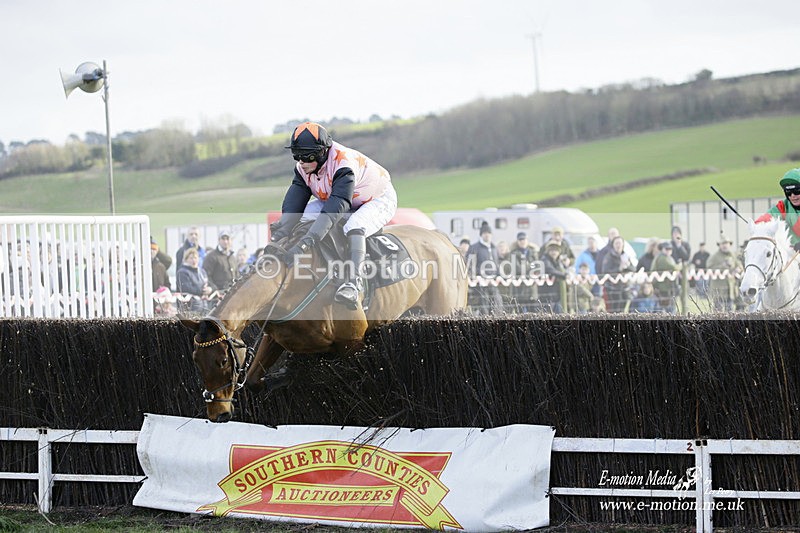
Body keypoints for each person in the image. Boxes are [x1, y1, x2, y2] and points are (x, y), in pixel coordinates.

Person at [268, 122, 397, 308]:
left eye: (306, 157)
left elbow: (336, 207)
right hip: (339, 195)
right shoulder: (303, 168)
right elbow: (294, 208)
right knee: (303, 217)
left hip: (376, 198)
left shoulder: (343, 164)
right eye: (296, 156)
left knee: (354, 226)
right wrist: (280, 234)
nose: (301, 162)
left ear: (322, 152)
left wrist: (307, 242)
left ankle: (354, 283)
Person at [755, 168, 800, 250]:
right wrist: (757, 226)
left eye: (797, 191)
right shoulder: (783, 206)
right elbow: (764, 219)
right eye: (788, 192)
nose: (792, 195)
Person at [466, 222, 503, 314]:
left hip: (493, 283)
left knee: (497, 305)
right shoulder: (474, 247)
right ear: (481, 235)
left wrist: (498, 275)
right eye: (485, 233)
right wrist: (480, 275)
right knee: (484, 308)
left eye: (489, 233)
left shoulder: (494, 248)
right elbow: (469, 265)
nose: (487, 235)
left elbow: (496, 264)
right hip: (480, 284)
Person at [707, 234, 742, 312]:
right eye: (722, 244)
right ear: (719, 245)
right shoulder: (714, 257)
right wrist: (722, 267)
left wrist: (738, 269)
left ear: (729, 245)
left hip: (730, 290)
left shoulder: (733, 255)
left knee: (730, 313)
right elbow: (708, 269)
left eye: (726, 243)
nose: (724, 246)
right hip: (718, 291)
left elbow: (740, 266)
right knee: (718, 313)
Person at [601, 236, 634, 313]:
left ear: (623, 245)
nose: (618, 245)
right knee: (614, 310)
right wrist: (619, 268)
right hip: (613, 289)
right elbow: (605, 271)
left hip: (625, 288)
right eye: (616, 243)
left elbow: (633, 269)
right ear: (613, 245)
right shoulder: (609, 256)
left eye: (620, 243)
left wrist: (627, 266)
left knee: (623, 309)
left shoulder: (626, 255)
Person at [509, 231, 539, 311]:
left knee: (533, 313)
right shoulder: (514, 253)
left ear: (527, 240)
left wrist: (530, 267)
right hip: (520, 289)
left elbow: (537, 266)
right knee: (520, 312)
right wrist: (530, 266)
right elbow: (518, 268)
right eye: (520, 240)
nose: (522, 241)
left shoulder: (533, 252)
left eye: (524, 239)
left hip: (532, 289)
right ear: (517, 241)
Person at [176, 248, 212, 313]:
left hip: (204, 306)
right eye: (191, 258)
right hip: (190, 308)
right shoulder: (182, 272)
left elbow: (208, 283)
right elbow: (186, 288)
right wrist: (202, 291)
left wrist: (210, 289)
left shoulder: (202, 272)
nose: (194, 260)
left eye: (195, 258)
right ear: (186, 259)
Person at [650, 241, 681, 313]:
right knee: (666, 308)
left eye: (670, 249)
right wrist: (681, 265)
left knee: (668, 307)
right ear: (662, 249)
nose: (668, 250)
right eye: (666, 249)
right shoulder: (662, 258)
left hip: (666, 287)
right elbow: (673, 267)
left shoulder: (667, 257)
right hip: (663, 288)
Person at [538, 240, 568, 313]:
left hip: (555, 293)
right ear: (548, 251)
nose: (554, 252)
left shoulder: (558, 261)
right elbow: (550, 270)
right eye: (552, 250)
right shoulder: (545, 259)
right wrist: (563, 275)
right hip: (547, 293)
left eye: (556, 251)